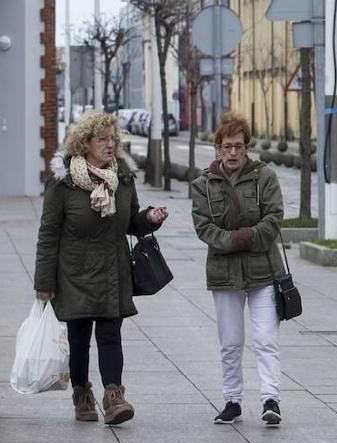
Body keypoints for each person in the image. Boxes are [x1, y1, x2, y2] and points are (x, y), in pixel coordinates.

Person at [34, 110, 168, 425]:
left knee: (110, 335)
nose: (110, 145)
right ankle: (82, 395)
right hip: (74, 273)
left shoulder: (122, 178)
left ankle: (114, 397)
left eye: (113, 139)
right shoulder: (64, 181)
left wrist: (149, 219)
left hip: (112, 270)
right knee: (79, 338)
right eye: (102, 139)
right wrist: (44, 281)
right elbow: (48, 233)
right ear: (85, 142)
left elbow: (131, 221)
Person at [191, 112, 285, 426]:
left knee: (265, 339)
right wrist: (238, 239)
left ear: (247, 148)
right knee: (230, 342)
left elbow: (273, 220)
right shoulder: (203, 185)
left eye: (239, 147)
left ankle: (270, 399)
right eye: (227, 146)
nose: (233, 153)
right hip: (224, 274)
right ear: (217, 147)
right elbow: (204, 227)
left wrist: (242, 238)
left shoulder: (264, 177)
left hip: (263, 272)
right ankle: (232, 400)